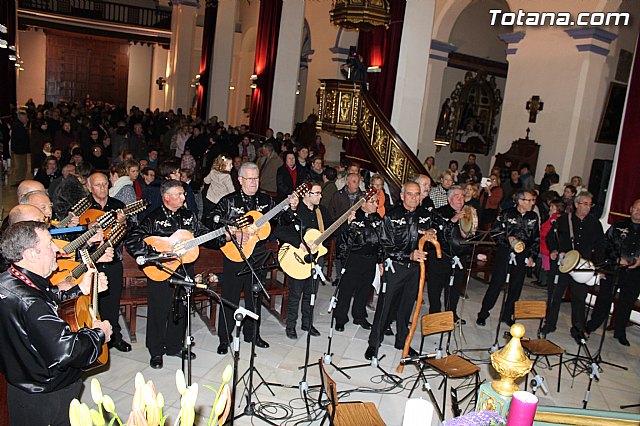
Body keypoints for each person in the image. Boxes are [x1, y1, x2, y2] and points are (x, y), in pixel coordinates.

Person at [0, 221, 112, 425]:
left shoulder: (8, 280)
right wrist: (99, 333)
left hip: (20, 387)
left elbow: (44, 297)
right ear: (31, 254)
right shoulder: (32, 304)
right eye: (50, 244)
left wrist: (79, 290)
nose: (57, 249)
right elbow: (68, 352)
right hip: (48, 398)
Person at [207, 162, 296, 355]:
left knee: (254, 297)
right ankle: (225, 338)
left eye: (256, 178)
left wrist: (290, 208)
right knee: (230, 298)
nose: (254, 182)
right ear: (240, 180)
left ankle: (252, 334)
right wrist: (231, 233)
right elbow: (210, 222)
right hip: (235, 254)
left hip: (258, 255)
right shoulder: (228, 201)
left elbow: (282, 220)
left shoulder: (265, 200)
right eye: (249, 179)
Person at [125, 180, 211, 368]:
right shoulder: (153, 218)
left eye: (183, 194)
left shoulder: (189, 216)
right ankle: (156, 351)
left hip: (184, 268)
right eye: (179, 194)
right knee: (158, 310)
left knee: (181, 307)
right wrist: (153, 255)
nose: (184, 197)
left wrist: (223, 236)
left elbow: (204, 234)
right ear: (166, 197)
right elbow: (132, 239)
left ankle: (175, 346)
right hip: (160, 269)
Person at [364, 181, 433, 360]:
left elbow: (430, 238)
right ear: (402, 196)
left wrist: (431, 236)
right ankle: (374, 343)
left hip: (416, 270)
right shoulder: (392, 215)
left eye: (417, 194)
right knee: (385, 306)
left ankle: (402, 341)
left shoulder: (425, 216)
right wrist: (408, 255)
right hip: (396, 268)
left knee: (406, 307)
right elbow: (386, 245)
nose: (414, 197)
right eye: (410, 194)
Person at [542, 191, 605, 342]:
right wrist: (554, 250)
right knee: (555, 296)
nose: (588, 207)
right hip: (563, 264)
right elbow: (551, 237)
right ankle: (550, 324)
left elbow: (600, 246)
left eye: (590, 204)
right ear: (576, 204)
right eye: (585, 204)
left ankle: (578, 329)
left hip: (581, 267)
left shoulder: (594, 223)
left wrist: (598, 268)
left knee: (579, 299)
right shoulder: (564, 219)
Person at [275, 183, 331, 339]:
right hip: (298, 258)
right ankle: (291, 325)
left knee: (311, 293)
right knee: (295, 294)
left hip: (316, 258)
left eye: (320, 193)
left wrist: (347, 222)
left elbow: (332, 231)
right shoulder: (296, 210)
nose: (320, 196)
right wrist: (299, 243)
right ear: (306, 194)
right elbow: (280, 230)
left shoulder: (322, 212)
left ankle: (307, 323)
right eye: (317, 193)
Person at [477, 190, 539, 326]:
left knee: (516, 287)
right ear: (520, 201)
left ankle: (507, 314)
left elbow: (536, 238)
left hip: (523, 253)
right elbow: (495, 233)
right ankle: (483, 313)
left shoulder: (533, 217)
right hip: (505, 251)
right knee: (496, 284)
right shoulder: (506, 213)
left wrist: (532, 256)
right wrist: (508, 239)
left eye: (533, 201)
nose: (532, 203)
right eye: (529, 200)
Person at [87, 172, 133, 353]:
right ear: (90, 188)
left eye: (105, 184)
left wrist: (123, 224)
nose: (102, 188)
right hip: (90, 262)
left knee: (113, 301)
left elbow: (129, 233)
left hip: (113, 261)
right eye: (97, 185)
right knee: (91, 303)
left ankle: (114, 337)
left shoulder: (117, 206)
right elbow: (73, 236)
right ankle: (93, 340)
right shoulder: (83, 208)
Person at [584, 199, 640, 346]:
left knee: (626, 303)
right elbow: (605, 244)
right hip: (614, 268)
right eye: (636, 208)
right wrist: (617, 258)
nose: (638, 211)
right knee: (604, 299)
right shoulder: (618, 226)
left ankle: (620, 332)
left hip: (635, 273)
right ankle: (591, 326)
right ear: (630, 209)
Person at [334, 190, 383, 332]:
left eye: (376, 202)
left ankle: (359, 316)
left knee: (364, 289)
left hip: (370, 259)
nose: (376, 205)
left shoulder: (377, 218)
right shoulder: (353, 217)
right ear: (362, 204)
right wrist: (344, 260)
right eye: (372, 202)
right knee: (346, 290)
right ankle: (341, 318)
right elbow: (342, 240)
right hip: (354, 258)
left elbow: (381, 242)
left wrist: (380, 261)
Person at [427, 186, 470, 322]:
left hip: (459, 256)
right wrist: (453, 220)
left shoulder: (468, 212)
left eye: (462, 196)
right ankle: (434, 314)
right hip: (441, 256)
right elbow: (439, 233)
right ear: (449, 198)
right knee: (435, 287)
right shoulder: (439, 212)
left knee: (455, 287)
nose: (460, 199)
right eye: (457, 196)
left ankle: (452, 313)